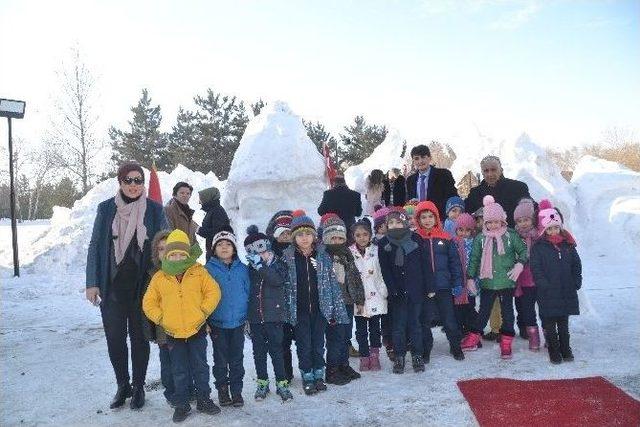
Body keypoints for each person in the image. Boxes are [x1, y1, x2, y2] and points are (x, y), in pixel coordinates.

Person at [86, 161, 168, 410]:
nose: (134, 185)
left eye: (138, 181)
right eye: (128, 180)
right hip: (112, 287)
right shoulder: (106, 209)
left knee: (140, 339)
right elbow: (95, 246)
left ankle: (139, 386)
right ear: (120, 182)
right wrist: (92, 283)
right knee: (115, 339)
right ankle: (123, 385)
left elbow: (165, 242)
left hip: (143, 287)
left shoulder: (154, 210)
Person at [142, 229, 221, 422]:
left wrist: (203, 311)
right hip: (173, 333)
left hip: (196, 330)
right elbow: (148, 302)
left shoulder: (198, 272)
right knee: (179, 370)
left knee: (200, 367)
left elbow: (213, 292)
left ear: (187, 254)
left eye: (181, 254)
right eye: (173, 254)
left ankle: (203, 399)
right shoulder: (160, 277)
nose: (177, 258)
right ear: (167, 255)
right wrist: (161, 318)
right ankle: (182, 404)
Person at [281, 210, 349, 396]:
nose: (304, 238)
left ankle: (319, 374)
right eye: (300, 235)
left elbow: (333, 284)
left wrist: (336, 309)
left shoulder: (322, 257)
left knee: (318, 344)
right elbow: (284, 286)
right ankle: (307, 376)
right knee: (304, 345)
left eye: (308, 234)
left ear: (314, 236)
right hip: (300, 311)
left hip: (320, 310)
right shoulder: (287, 258)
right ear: (294, 238)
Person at [461, 196, 528, 359]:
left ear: (502, 220)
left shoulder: (511, 236)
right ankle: (474, 337)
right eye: (489, 222)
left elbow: (524, 251)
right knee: (483, 312)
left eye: (496, 222)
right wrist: (470, 277)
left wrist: (519, 265)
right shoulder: (481, 238)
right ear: (485, 223)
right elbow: (475, 259)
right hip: (488, 283)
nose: (492, 225)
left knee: (507, 313)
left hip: (506, 282)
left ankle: (506, 341)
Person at [143, 229, 195, 407]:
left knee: (187, 362)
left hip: (186, 328)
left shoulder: (187, 271)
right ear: (156, 253)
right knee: (168, 364)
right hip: (164, 330)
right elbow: (149, 304)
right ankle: (171, 392)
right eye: (160, 249)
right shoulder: (153, 276)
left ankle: (189, 389)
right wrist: (159, 321)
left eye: (168, 247)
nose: (165, 252)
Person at [377, 209, 432, 374]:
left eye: (398, 222)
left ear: (405, 223)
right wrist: (392, 289)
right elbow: (384, 270)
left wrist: (430, 286)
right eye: (391, 223)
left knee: (415, 325)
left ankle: (417, 354)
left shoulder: (416, 239)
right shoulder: (384, 244)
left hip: (416, 290)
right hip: (397, 293)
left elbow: (425, 265)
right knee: (398, 326)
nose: (395, 225)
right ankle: (399, 355)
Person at [243, 226, 294, 402]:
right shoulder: (248, 268)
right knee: (258, 353)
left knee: (277, 351)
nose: (256, 252)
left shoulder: (278, 263)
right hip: (256, 318)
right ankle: (262, 383)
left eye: (259, 246)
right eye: (251, 250)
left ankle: (282, 383)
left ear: (266, 245)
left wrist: (260, 266)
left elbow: (277, 280)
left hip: (274, 317)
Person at [530, 199, 582, 364]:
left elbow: (576, 264)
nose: (553, 231)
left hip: (566, 290)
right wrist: (543, 283)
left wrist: (576, 280)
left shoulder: (568, 245)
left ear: (560, 226)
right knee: (550, 325)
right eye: (549, 228)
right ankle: (554, 350)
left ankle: (566, 349)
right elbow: (535, 268)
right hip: (548, 292)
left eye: (556, 227)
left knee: (564, 324)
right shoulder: (538, 247)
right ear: (544, 229)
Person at [205, 229, 250, 408]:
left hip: (238, 322)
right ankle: (223, 390)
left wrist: (248, 317)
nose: (224, 247)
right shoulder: (207, 270)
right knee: (221, 360)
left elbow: (248, 293)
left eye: (228, 244)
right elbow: (202, 296)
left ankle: (237, 392)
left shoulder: (243, 269)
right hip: (218, 323)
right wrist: (206, 320)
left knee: (237, 359)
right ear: (214, 249)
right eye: (220, 244)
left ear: (234, 248)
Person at [414, 201, 465, 361]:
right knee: (425, 320)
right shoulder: (415, 238)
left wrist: (457, 283)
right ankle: (426, 349)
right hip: (425, 289)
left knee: (449, 319)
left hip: (444, 286)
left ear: (436, 218)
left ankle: (455, 346)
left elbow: (455, 263)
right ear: (418, 219)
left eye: (430, 216)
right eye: (423, 217)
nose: (427, 220)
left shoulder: (446, 238)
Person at [321, 215, 365, 385]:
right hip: (332, 305)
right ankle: (332, 370)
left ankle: (343, 365)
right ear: (326, 238)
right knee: (335, 338)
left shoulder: (347, 254)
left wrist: (359, 299)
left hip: (347, 301)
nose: (337, 241)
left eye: (340, 237)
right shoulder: (323, 257)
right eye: (333, 238)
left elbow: (354, 278)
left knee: (345, 335)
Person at [349, 221, 387, 372]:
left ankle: (374, 355)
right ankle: (364, 356)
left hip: (376, 296)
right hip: (359, 299)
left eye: (365, 234)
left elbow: (381, 272)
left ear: (370, 235)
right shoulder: (350, 252)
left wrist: (384, 290)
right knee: (360, 330)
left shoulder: (377, 251)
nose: (362, 238)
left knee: (375, 329)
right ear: (353, 237)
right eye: (358, 235)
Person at [265, 210, 295, 382]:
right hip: (278, 305)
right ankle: (285, 373)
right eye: (281, 233)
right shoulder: (270, 254)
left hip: (297, 303)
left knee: (303, 340)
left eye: (289, 232)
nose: (285, 236)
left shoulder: (296, 251)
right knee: (282, 342)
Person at [465, 156, 531, 228]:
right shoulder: (475, 193)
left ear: (501, 170)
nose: (490, 174)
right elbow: (463, 213)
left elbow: (532, 209)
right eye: (486, 171)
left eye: (493, 170)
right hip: (485, 237)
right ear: (482, 173)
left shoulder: (518, 188)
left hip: (513, 236)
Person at [513, 198, 541, 350]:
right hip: (523, 281)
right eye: (519, 220)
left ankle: (548, 334)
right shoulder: (514, 237)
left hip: (539, 279)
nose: (523, 223)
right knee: (527, 310)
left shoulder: (539, 236)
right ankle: (533, 337)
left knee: (543, 309)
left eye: (526, 219)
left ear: (533, 219)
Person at [405, 145, 458, 219]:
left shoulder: (444, 175)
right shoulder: (410, 180)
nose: (420, 161)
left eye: (423, 157)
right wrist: (411, 204)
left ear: (430, 158)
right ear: (413, 161)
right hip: (419, 221)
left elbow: (453, 198)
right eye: (417, 159)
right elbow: (409, 202)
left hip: (440, 219)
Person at [452, 213, 479, 336]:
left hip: (470, 282)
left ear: (472, 231)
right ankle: (460, 331)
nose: (464, 233)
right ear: (456, 230)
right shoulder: (452, 244)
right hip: (457, 283)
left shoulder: (474, 243)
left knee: (470, 307)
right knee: (457, 309)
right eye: (460, 230)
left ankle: (472, 331)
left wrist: (474, 278)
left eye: (467, 230)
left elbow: (477, 262)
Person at [197, 186, 230, 260]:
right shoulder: (212, 210)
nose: (199, 202)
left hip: (218, 254)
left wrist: (199, 230)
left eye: (201, 198)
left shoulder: (217, 211)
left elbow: (218, 233)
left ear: (208, 198)